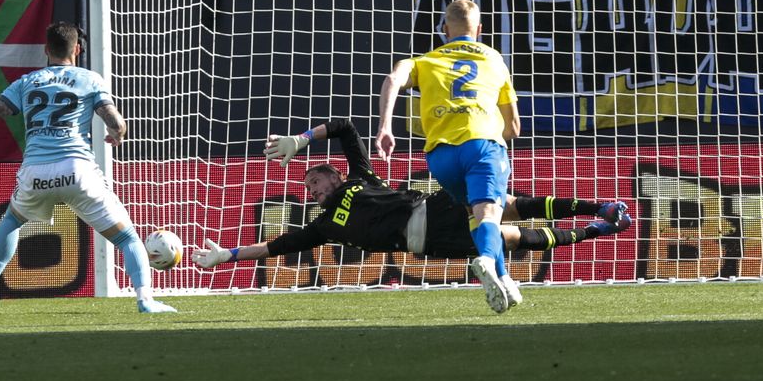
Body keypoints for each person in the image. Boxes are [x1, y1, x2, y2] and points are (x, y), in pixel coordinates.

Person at [196, 119, 633, 270]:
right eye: (308, 189)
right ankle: (597, 229)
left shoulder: (361, 178)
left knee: (511, 205)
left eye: (314, 182)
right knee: (513, 238)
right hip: (429, 242)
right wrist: (227, 255)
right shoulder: (324, 226)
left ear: (334, 176)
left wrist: (301, 139)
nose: (310, 192)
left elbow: (346, 128)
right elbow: (275, 246)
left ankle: (600, 206)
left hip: (432, 205)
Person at [0, 22, 176, 314]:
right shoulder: (90, 79)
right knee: (126, 237)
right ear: (77, 49)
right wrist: (117, 135)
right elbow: (116, 123)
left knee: (12, 221)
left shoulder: (27, 82)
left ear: (46, 50)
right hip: (77, 170)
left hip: (36, 173)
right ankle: (145, 299)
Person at [376, 0, 526, 313]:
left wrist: (385, 127)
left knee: (475, 213)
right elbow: (513, 127)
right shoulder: (494, 59)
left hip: (440, 157)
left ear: (444, 29)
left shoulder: (424, 61)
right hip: (481, 145)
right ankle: (487, 260)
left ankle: (504, 280)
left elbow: (392, 80)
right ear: (480, 29)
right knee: (490, 215)